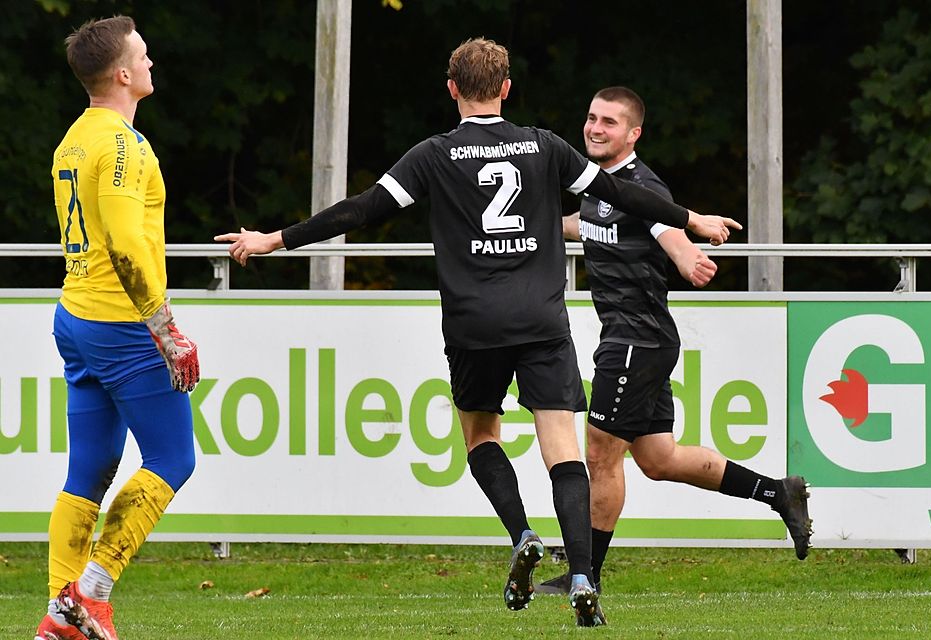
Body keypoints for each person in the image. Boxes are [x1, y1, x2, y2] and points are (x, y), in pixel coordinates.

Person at [215, 39, 740, 627]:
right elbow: (618, 192)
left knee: (481, 435)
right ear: (507, 88)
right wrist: (692, 218)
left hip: (473, 323)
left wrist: (272, 239)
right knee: (563, 450)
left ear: (452, 89)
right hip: (541, 321)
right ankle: (585, 577)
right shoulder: (544, 146)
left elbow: (357, 211)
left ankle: (521, 535)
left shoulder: (434, 154)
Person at [536, 87, 811, 597]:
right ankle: (779, 493)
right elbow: (587, 224)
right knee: (659, 460)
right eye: (592, 117)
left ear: (633, 133)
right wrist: (536, 230)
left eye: (610, 122)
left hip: (636, 341)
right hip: (640, 340)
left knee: (600, 457)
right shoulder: (597, 185)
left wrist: (688, 259)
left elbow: (669, 230)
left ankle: (584, 576)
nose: (595, 128)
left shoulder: (644, 186)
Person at [36, 15, 200, 640]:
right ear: (124, 75)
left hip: (75, 317)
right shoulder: (126, 145)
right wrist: (165, 330)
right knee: (172, 457)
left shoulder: (73, 139)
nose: (152, 61)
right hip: (120, 323)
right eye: (144, 55)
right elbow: (127, 243)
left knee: (92, 465)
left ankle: (61, 611)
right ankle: (92, 590)